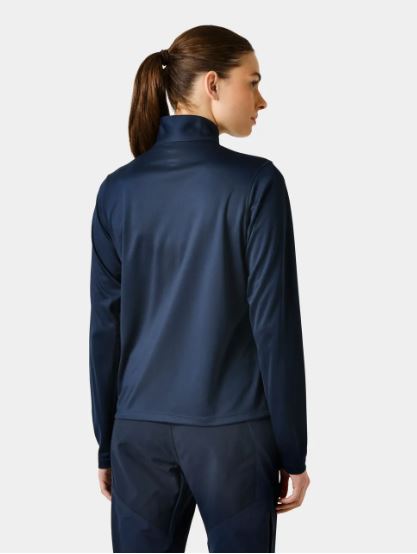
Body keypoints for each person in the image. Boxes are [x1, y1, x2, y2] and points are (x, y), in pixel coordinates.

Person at [89, 24, 310, 553]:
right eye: (252, 82)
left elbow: (104, 328)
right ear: (213, 84)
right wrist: (293, 451)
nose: (261, 100)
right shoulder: (257, 184)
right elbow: (275, 327)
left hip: (137, 432)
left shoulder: (117, 190)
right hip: (234, 434)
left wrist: (108, 443)